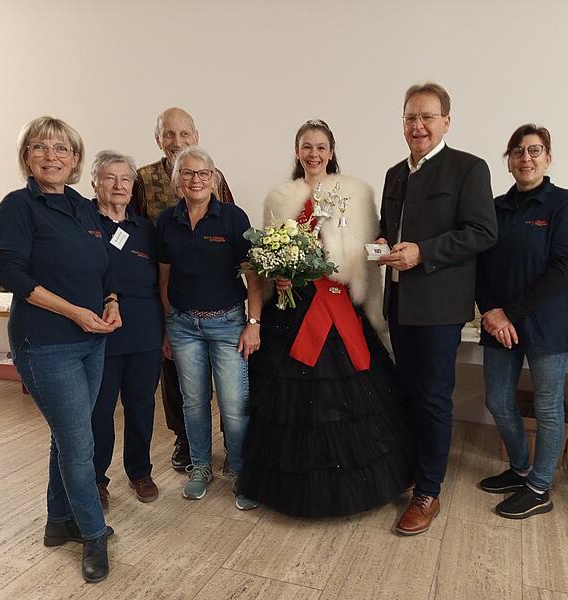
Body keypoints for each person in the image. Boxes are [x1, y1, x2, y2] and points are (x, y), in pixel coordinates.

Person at [236, 119, 413, 517]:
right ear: (297, 151)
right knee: (292, 403)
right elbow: (267, 255)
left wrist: (372, 253)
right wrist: (279, 273)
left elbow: (366, 253)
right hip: (293, 310)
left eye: (321, 146)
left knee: (347, 398)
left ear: (332, 151)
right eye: (306, 146)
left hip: (339, 306)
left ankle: (354, 485)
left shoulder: (356, 192)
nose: (313, 154)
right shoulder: (279, 198)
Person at [0, 116, 119, 583]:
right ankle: (92, 533)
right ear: (27, 155)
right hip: (45, 343)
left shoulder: (85, 209)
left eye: (62, 149)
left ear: (75, 160)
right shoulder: (17, 207)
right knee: (79, 442)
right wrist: (73, 312)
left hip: (92, 339)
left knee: (70, 434)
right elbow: (14, 276)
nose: (52, 156)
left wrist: (110, 302)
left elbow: (102, 266)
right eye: (41, 147)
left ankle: (58, 522)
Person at [377, 82, 497, 535]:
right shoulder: (394, 173)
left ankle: (429, 490)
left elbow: (483, 232)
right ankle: (411, 470)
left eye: (427, 117)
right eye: (410, 117)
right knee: (405, 394)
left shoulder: (468, 168)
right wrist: (383, 243)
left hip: (440, 308)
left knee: (431, 399)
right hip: (399, 304)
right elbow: (391, 229)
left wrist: (422, 252)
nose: (418, 125)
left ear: (446, 120)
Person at [475, 124, 568, 519]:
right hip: (499, 323)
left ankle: (539, 487)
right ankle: (520, 467)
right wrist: (491, 312)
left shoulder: (564, 204)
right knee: (498, 401)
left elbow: (560, 270)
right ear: (509, 160)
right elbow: (479, 266)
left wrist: (509, 313)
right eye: (518, 151)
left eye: (535, 150)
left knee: (549, 406)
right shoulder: (495, 207)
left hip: (545, 322)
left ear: (548, 157)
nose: (526, 158)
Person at [156, 145, 262, 509]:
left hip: (229, 324)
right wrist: (169, 324)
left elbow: (253, 276)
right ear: (177, 181)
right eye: (187, 173)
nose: (196, 179)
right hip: (183, 327)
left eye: (203, 173)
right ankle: (200, 467)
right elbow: (164, 276)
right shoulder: (167, 221)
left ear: (214, 178)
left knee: (234, 404)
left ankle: (241, 470)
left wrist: (253, 322)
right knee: (194, 402)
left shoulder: (233, 218)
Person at [132, 107, 235, 472]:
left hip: (218, 297)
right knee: (175, 371)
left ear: (196, 135)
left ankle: (232, 442)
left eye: (184, 134)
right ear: (158, 138)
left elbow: (233, 227)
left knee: (228, 380)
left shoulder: (213, 175)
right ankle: (185, 440)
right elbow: (128, 230)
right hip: (165, 292)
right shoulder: (141, 179)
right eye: (169, 134)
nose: (177, 141)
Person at [90, 150, 163, 511]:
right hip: (99, 332)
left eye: (125, 180)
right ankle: (96, 478)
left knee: (141, 405)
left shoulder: (146, 229)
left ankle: (139, 470)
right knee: (100, 410)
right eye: (110, 178)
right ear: (95, 183)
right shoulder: (83, 222)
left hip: (145, 332)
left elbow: (161, 280)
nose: (119, 186)